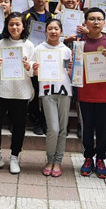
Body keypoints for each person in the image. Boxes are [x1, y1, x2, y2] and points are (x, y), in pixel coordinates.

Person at [0, 12, 36, 175]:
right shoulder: (2, 43)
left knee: (19, 126)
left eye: (18, 24)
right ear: (7, 26)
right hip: (2, 90)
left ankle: (14, 157)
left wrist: (28, 67)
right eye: (11, 24)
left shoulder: (29, 45)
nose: (14, 27)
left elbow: (33, 71)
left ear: (23, 26)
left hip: (21, 92)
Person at [77, 7, 106, 179]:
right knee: (87, 128)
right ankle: (88, 157)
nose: (95, 22)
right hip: (85, 91)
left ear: (104, 23)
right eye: (92, 19)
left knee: (103, 128)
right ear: (85, 22)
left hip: (105, 93)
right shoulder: (79, 41)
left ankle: (101, 158)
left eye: (99, 19)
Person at [34, 18, 72, 177]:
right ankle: (50, 159)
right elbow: (35, 72)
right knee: (53, 129)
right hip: (47, 91)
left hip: (65, 90)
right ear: (45, 31)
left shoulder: (67, 50)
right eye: (50, 28)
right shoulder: (39, 49)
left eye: (56, 28)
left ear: (61, 31)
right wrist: (34, 70)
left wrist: (72, 69)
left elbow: (70, 72)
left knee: (62, 129)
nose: (53, 31)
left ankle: (58, 161)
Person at [23, 0, 53, 135]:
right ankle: (35, 120)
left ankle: (45, 120)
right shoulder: (26, 15)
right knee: (34, 88)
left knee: (46, 89)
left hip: (47, 57)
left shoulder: (51, 17)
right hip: (32, 55)